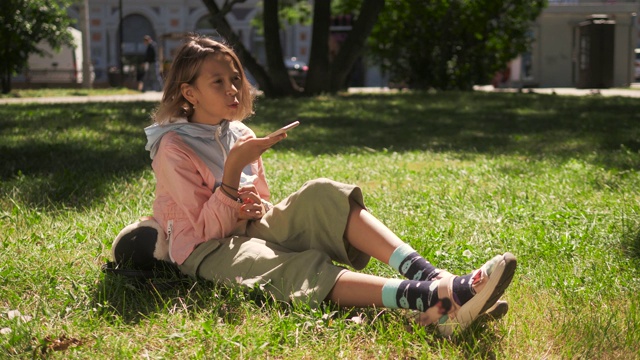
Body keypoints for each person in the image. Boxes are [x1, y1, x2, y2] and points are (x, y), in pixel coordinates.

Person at [144, 35, 516, 336]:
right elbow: (206, 229)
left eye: (236, 79)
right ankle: (438, 301)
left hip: (244, 227)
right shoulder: (172, 147)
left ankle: (434, 278)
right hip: (203, 249)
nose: (233, 90)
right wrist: (232, 172)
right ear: (189, 93)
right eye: (219, 82)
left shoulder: (240, 133)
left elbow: (261, 200)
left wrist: (255, 205)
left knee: (323, 194)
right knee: (285, 266)